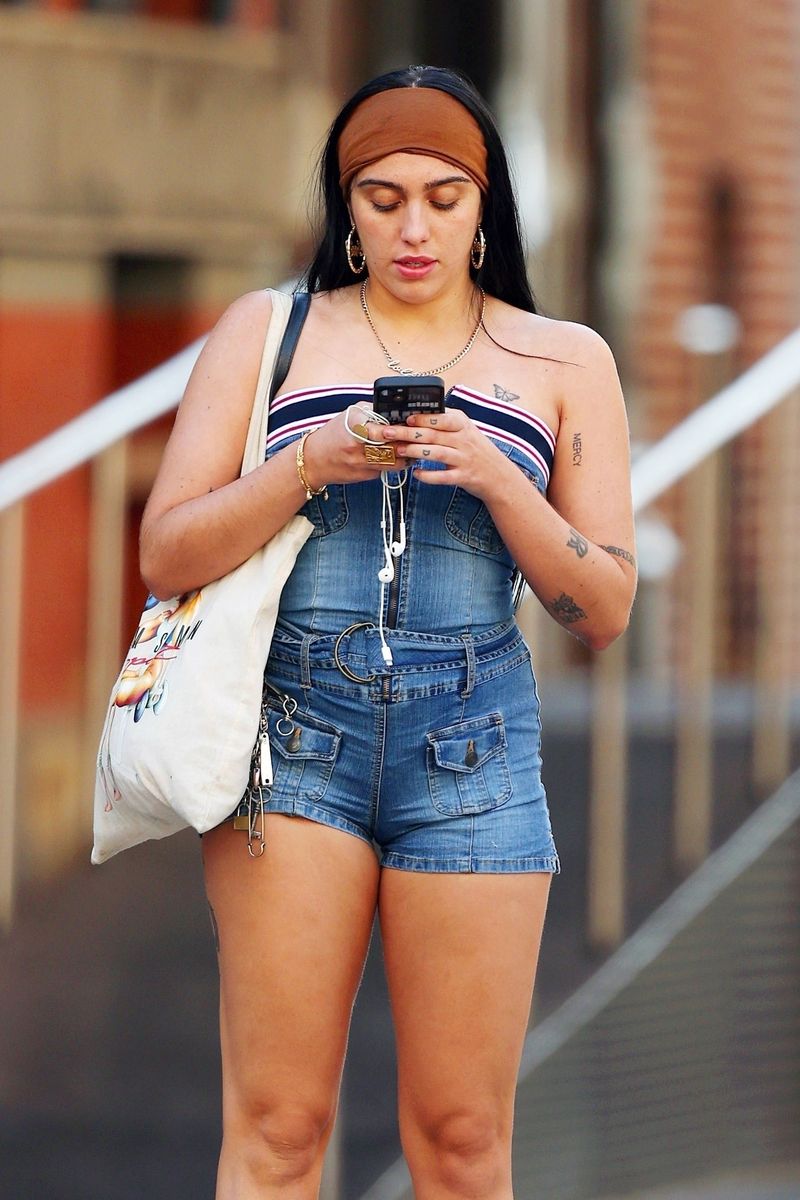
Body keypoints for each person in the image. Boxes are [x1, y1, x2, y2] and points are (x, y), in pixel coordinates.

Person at [139, 64, 636, 1200]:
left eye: (443, 198)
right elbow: (166, 551)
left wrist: (492, 477)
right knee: (277, 1130)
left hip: (473, 748)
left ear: (484, 206)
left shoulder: (563, 360)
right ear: (346, 210)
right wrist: (313, 459)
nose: (414, 227)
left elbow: (602, 607)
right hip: (292, 737)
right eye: (382, 197)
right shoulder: (268, 332)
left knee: (461, 1143)